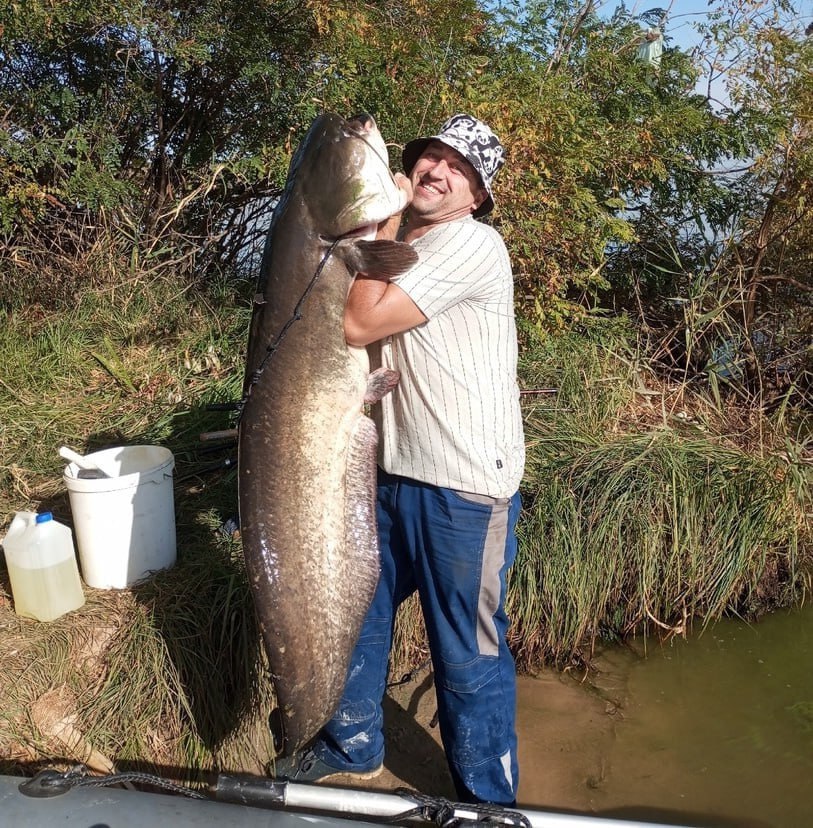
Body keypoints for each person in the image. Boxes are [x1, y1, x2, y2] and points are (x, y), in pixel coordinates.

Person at [274, 114, 525, 806]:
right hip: (391, 476)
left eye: (458, 169)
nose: (435, 172)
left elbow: (355, 322)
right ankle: (351, 744)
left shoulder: (470, 243)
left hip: (464, 489)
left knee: (464, 650)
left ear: (476, 195)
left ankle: (486, 801)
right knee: (361, 610)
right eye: (430, 157)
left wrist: (373, 224)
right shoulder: (410, 240)